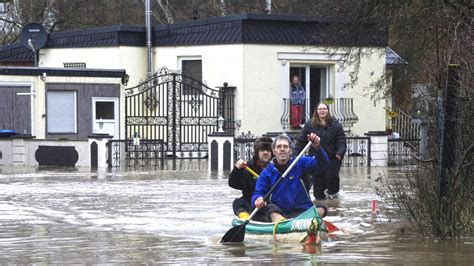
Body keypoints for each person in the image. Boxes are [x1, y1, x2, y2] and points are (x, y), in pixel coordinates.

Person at [251, 134, 329, 222]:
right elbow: (258, 193)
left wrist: (318, 148)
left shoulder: (301, 162)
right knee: (270, 209)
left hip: (303, 211)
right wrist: (257, 199)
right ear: (274, 151)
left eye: (285, 146)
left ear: (290, 150)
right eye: (279, 147)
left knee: (322, 207)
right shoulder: (267, 173)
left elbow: (324, 165)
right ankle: (284, 224)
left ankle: (306, 222)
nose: (282, 149)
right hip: (280, 213)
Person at [294, 102, 347, 200]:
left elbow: (341, 140)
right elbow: (301, 141)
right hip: (316, 158)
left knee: (332, 178)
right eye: (320, 109)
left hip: (333, 158)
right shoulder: (310, 125)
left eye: (324, 109)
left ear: (328, 111)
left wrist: (340, 152)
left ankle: (333, 200)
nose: (322, 111)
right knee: (318, 182)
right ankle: (320, 202)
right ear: (316, 111)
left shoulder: (336, 125)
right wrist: (294, 156)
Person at [228, 137, 274, 219]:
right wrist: (237, 170)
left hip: (269, 203)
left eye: (268, 150)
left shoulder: (276, 167)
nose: (266, 152)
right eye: (262, 150)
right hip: (250, 202)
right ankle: (245, 217)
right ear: (257, 152)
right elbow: (233, 184)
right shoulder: (248, 167)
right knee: (237, 202)